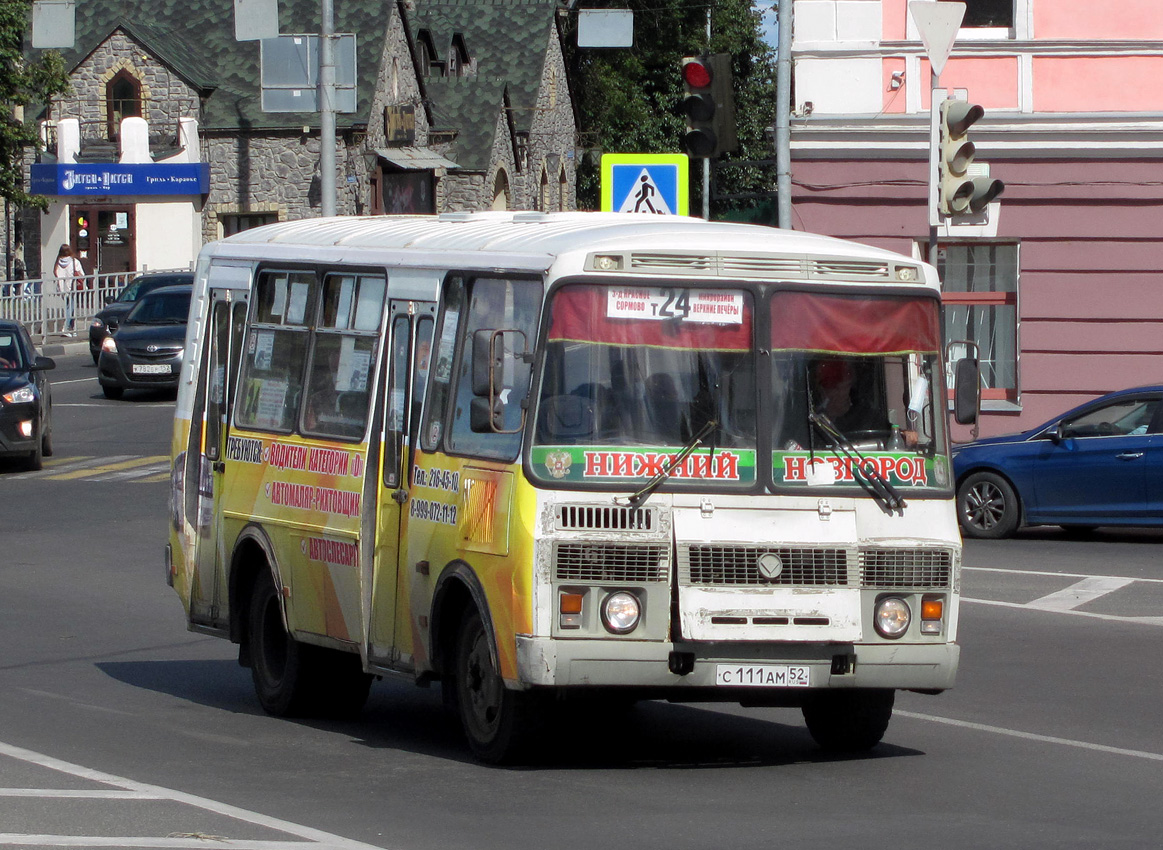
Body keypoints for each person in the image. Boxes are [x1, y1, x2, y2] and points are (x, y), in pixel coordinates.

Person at [53, 244, 84, 336]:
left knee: (70, 307)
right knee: (70, 308)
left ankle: (72, 329)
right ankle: (66, 328)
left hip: (62, 288)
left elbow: (55, 273)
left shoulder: (58, 262)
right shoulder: (74, 261)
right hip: (72, 287)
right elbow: (82, 274)